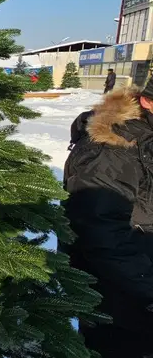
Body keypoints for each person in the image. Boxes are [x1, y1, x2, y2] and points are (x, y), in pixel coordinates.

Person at [63, 84, 153, 357]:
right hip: (122, 300)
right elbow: (100, 231)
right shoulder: (112, 147)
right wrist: (148, 286)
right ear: (147, 101)